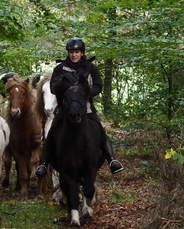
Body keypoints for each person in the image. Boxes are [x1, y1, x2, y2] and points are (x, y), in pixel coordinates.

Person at [35, 37, 124, 177]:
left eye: (76, 52)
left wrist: (85, 93)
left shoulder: (90, 68)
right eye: (71, 52)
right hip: (65, 108)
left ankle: (112, 160)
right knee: (52, 130)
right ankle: (44, 164)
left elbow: (98, 86)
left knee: (100, 128)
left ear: (82, 53)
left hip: (86, 106)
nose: (73, 54)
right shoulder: (59, 68)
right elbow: (53, 88)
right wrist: (69, 93)